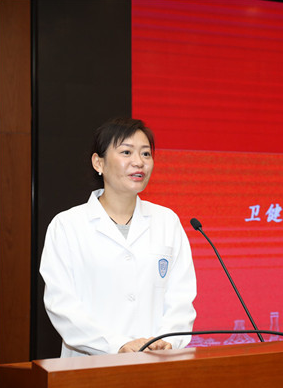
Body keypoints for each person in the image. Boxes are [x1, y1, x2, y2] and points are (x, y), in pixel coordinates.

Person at [40, 117, 197, 357]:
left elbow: (181, 297)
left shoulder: (167, 221)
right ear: (98, 162)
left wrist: (166, 341)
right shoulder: (67, 226)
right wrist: (117, 344)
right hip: (90, 365)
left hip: (156, 363)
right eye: (126, 152)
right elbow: (61, 304)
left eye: (146, 154)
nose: (139, 162)